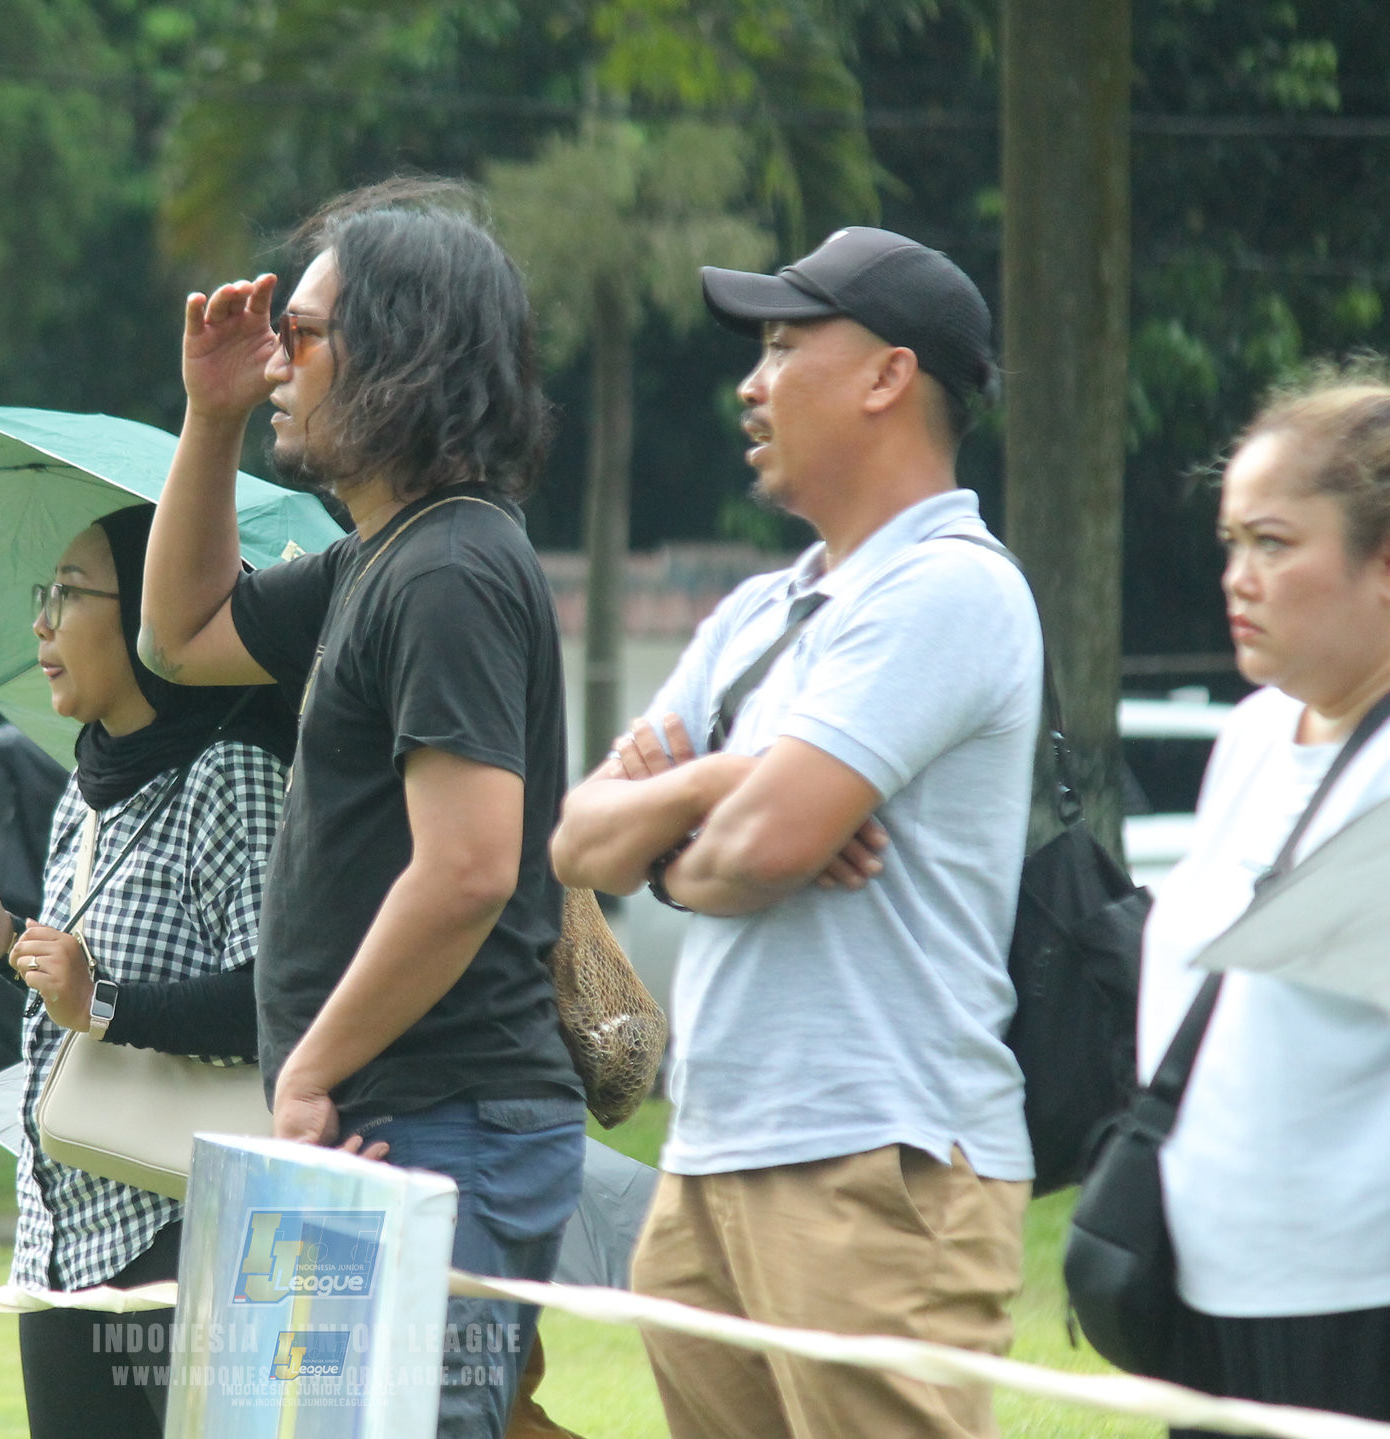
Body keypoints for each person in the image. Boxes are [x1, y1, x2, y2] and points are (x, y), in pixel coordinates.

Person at [551, 227, 1039, 1439]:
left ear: (887, 375)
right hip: (709, 1155)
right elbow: (577, 841)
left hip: (876, 1157)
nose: (749, 384)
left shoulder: (947, 586)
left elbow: (760, 849)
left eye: (780, 347)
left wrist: (693, 823)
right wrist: (735, 777)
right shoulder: (759, 610)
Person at [139, 177, 586, 1437]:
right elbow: (180, 634)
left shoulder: (449, 567)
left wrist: (310, 1069)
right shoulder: (380, 557)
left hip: (435, 1119)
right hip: (382, 1113)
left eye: (302, 333)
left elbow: (466, 868)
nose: (275, 359)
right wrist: (209, 418)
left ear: (403, 351)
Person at [0, 503, 291, 1439]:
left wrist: (104, 1000)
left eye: (71, 594)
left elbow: (280, 1002)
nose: (41, 623)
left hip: (182, 1232)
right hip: (59, 1231)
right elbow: (78, 995)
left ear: (152, 616)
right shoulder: (89, 783)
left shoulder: (232, 774)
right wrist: (5, 943)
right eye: (43, 593)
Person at [1142, 374, 1390, 1430]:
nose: (1237, 578)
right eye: (1230, 542)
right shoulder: (1248, 736)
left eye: (1274, 544)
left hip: (1355, 1305)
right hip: (1202, 1292)